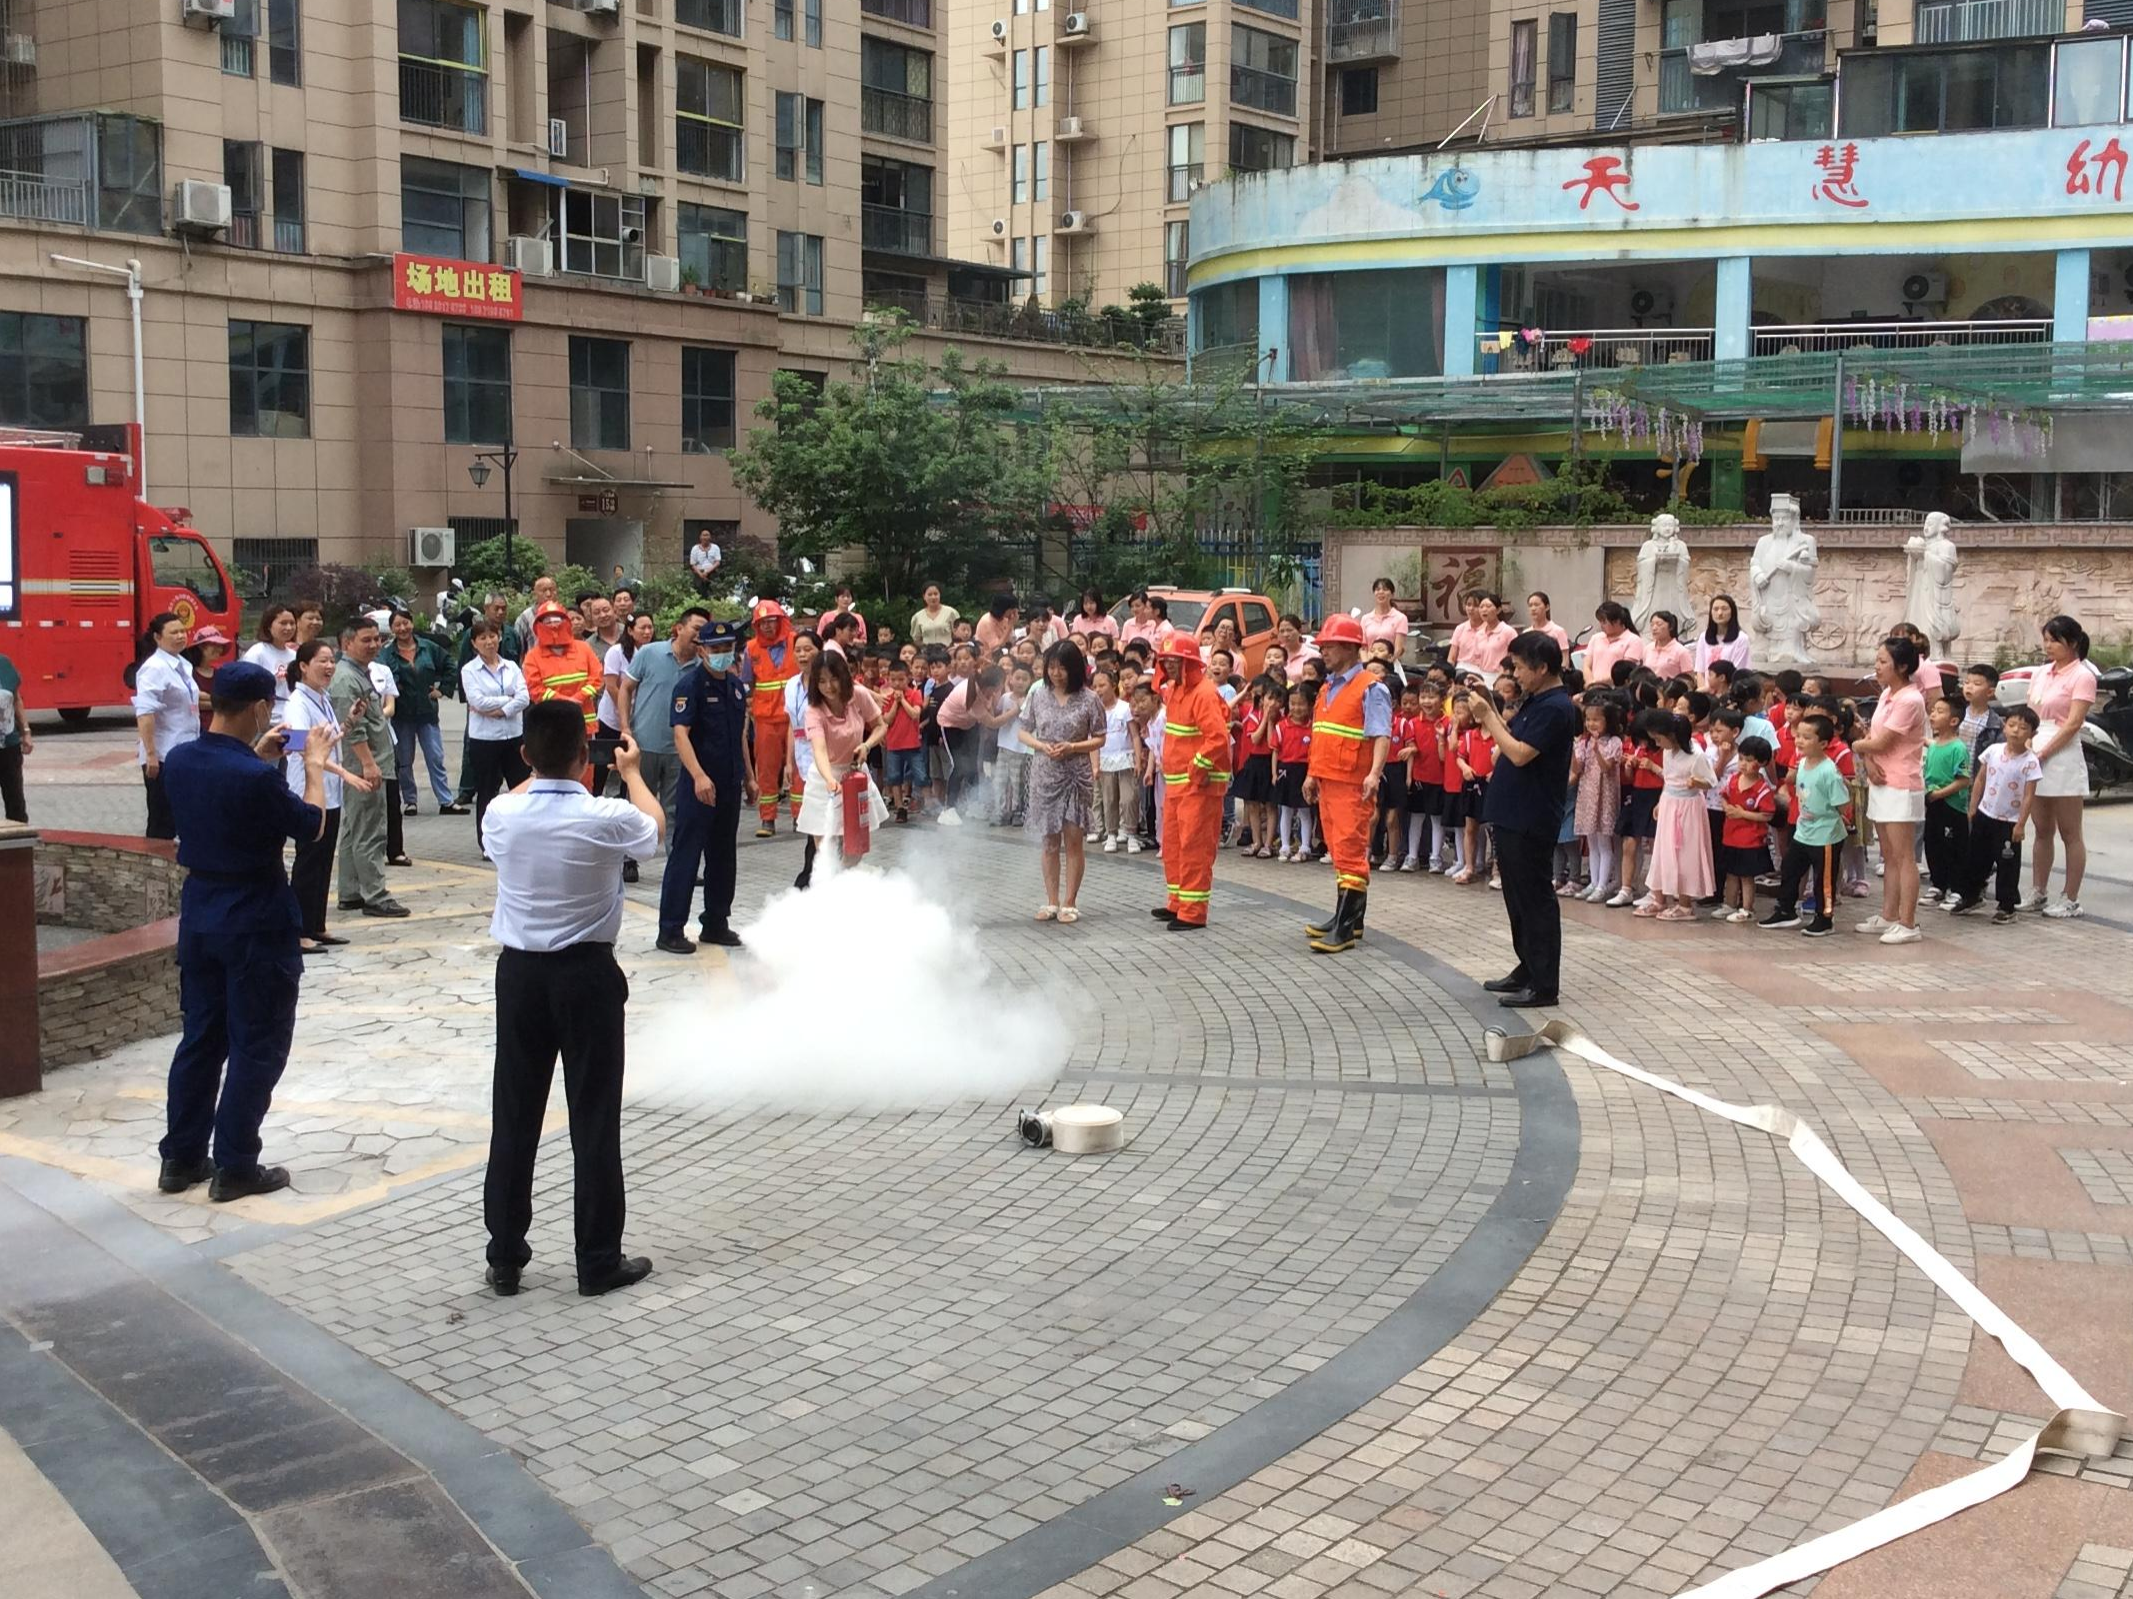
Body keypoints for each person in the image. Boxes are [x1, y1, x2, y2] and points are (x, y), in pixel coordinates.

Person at [481, 701, 662, 1299]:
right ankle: (597, 1259)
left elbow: (536, 776)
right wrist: (632, 773)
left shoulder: (500, 814)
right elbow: (655, 832)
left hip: (521, 976)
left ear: (525, 755)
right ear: (588, 758)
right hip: (586, 975)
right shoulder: (607, 815)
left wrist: (542, 760)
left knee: (514, 1115)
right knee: (593, 1118)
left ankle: (505, 1256)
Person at [156, 661, 330, 1202]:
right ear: (259, 709)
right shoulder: (254, 776)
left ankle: (181, 1159)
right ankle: (236, 1164)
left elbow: (222, 797)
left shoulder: (181, 760)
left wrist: (261, 760)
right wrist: (317, 765)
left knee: (201, 1040)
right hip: (255, 918)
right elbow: (311, 826)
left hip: (202, 912)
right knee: (257, 1044)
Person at [1470, 631, 1577, 1007]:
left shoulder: (1557, 708)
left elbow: (1518, 753)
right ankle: (1527, 966)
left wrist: (1487, 718)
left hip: (1532, 815)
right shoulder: (1537, 701)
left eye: (1519, 667)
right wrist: (1492, 709)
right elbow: (1512, 736)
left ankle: (1544, 983)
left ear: (1543, 667)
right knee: (1516, 898)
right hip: (1513, 811)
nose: (1515, 674)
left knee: (1534, 899)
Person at [658, 621, 752, 950]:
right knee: (687, 855)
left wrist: (750, 778)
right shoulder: (690, 686)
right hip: (699, 786)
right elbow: (680, 734)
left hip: (728, 784)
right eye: (716, 649)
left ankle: (716, 922)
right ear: (702, 650)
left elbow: (741, 735)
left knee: (723, 856)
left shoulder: (737, 687)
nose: (723, 654)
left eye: (728, 648)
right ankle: (670, 929)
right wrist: (698, 775)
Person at [1300, 614, 1391, 954]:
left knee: (1351, 853)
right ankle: (1348, 920)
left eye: (1331, 645)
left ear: (1352, 648)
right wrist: (1312, 774)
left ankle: (1345, 928)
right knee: (1339, 851)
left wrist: (1374, 774)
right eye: (1323, 645)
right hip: (1329, 780)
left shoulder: (1371, 688)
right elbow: (1321, 735)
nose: (1324, 651)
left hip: (1353, 783)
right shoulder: (1328, 687)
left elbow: (1381, 734)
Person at [283, 641, 367, 952]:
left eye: (332, 660)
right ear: (303, 666)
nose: (329, 666)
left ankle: (317, 925)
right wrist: (345, 773)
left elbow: (328, 739)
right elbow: (300, 744)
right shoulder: (297, 702)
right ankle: (299, 930)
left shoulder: (321, 698)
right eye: (322, 661)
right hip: (308, 789)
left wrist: (350, 722)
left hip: (328, 792)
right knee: (308, 862)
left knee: (322, 861)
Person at [319, 620, 403, 918]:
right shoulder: (346, 680)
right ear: (347, 643)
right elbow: (353, 729)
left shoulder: (358, 673)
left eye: (377, 640)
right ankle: (375, 895)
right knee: (370, 830)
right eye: (366, 640)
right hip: (364, 764)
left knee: (354, 828)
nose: (374, 645)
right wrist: (368, 763)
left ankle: (352, 891)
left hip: (367, 761)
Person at [1019, 640, 1107, 923]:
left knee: (1073, 841)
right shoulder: (1038, 695)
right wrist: (1041, 746)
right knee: (1049, 841)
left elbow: (1100, 737)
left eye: (1062, 668)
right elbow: (1023, 731)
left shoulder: (1090, 699)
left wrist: (1073, 746)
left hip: (1075, 773)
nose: (1056, 673)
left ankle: (1070, 901)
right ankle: (1051, 901)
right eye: (1052, 667)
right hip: (1045, 772)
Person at [1148, 636, 1231, 932]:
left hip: (1199, 787)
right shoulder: (1178, 691)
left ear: (1189, 663)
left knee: (1195, 847)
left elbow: (1218, 738)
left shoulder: (1203, 693)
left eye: (1174, 660)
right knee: (1173, 845)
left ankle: (1193, 912)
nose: (1168, 665)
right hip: (1177, 784)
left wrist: (1198, 766)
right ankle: (1178, 902)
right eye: (1165, 660)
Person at [1852, 636, 1929, 945]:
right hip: (1880, 779)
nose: (1878, 666)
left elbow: (1882, 741)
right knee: (1888, 855)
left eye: (1884, 662)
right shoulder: (1887, 694)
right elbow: (1874, 735)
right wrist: (1868, 758)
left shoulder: (1911, 699)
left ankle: (1908, 922)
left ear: (1903, 666)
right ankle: (1888, 915)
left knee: (1903, 855)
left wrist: (1858, 746)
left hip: (1901, 783)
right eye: (1878, 660)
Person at [794, 647, 888, 888]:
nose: (829, 687)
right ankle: (828, 892)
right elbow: (820, 749)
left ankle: (844, 887)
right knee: (826, 846)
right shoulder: (813, 710)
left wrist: (866, 745)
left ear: (844, 676)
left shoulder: (858, 695)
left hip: (855, 775)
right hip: (825, 779)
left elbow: (880, 726)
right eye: (822, 681)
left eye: (833, 679)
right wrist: (828, 779)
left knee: (855, 848)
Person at [2024, 615, 2095, 919]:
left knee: (2070, 832)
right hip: (2036, 745)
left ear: (2073, 643)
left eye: (2055, 640)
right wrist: (2027, 745)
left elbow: (2074, 723)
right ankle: (2038, 890)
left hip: (2062, 753)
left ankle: (2070, 897)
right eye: (2047, 639)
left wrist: (2044, 752)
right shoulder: (2041, 673)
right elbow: (2030, 713)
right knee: (2042, 829)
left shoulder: (2083, 675)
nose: (2048, 646)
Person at [618, 607, 708, 844]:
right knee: (637, 805)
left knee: (676, 810)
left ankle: (675, 863)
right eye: (696, 629)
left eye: (704, 631)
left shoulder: (703, 667)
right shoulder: (650, 652)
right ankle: (629, 858)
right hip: (644, 744)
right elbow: (626, 688)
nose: (700, 635)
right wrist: (625, 727)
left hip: (680, 751)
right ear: (679, 628)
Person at [1949, 705, 2043, 923]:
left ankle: (2007, 906)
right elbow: (1980, 779)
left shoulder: (2030, 761)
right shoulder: (1993, 751)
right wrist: (1972, 807)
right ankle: (1971, 895)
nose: (2016, 731)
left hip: (2009, 821)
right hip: (1985, 814)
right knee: (1976, 858)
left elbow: (2029, 795)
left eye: (2023, 728)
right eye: (2011, 725)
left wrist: (2020, 824)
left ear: (2032, 734)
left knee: (2007, 863)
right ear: (2004, 726)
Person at [1760, 711, 1849, 936]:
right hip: (1803, 831)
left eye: (1807, 737)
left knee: (1823, 880)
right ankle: (1786, 910)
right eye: (1799, 736)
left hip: (1826, 835)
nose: (1799, 741)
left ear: (1824, 743)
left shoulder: (1829, 771)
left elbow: (1841, 803)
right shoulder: (1802, 763)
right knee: (1790, 870)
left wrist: (1844, 820)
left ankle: (1824, 918)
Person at [460, 620, 530, 858]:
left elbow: (524, 698)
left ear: (499, 637)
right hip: (484, 740)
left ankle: (521, 839)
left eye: (493, 636)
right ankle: (487, 843)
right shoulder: (469, 670)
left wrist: (500, 709)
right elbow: (477, 701)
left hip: (513, 736)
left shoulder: (511, 666)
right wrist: (508, 700)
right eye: (483, 638)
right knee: (487, 792)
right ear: (474, 643)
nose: (489, 641)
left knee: (520, 791)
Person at [1638, 711, 1715, 921]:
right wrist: (1661, 801)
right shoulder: (1668, 752)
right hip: (1670, 802)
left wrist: (1696, 783)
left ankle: (1684, 904)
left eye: (1658, 738)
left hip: (1688, 807)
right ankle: (1659, 898)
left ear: (1672, 735)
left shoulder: (1696, 755)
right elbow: (1669, 778)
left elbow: (1711, 781)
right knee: (1664, 850)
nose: (1657, 743)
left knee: (1685, 852)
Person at [522, 600, 604, 793]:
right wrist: (567, 702)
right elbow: (536, 689)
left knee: (585, 775)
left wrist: (579, 698)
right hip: (552, 728)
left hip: (584, 725)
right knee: (553, 775)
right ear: (538, 625)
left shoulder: (583, 649)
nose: (553, 625)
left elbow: (597, 677)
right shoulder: (533, 656)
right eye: (547, 621)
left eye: (557, 619)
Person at [386, 610, 461, 817]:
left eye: (406, 623)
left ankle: (446, 800)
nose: (402, 628)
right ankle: (410, 801)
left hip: (427, 713)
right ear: (392, 628)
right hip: (401, 715)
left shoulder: (428, 647)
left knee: (435, 757)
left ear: (412, 623)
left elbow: (450, 666)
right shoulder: (386, 654)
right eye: (397, 625)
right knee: (404, 760)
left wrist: (443, 690)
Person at [133, 611, 198, 839]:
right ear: (158, 638)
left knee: (185, 814)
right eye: (174, 633)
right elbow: (145, 713)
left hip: (186, 750)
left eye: (183, 631)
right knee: (162, 820)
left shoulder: (182, 664)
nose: (181, 636)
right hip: (163, 755)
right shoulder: (154, 668)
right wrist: (151, 754)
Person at [741, 599, 801, 836]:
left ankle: (799, 816)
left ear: (780, 621)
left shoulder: (796, 642)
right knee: (766, 769)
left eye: (771, 621)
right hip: (765, 718)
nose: (767, 626)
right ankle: (768, 819)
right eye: (762, 622)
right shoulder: (751, 649)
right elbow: (749, 683)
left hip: (794, 716)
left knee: (799, 767)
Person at [1717, 735, 1776, 923]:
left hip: (1750, 840)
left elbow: (1767, 815)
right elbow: (1724, 796)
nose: (1743, 764)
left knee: (1746, 876)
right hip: (1730, 836)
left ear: (1762, 763)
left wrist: (1742, 814)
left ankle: (1748, 908)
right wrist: (1727, 807)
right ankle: (1729, 903)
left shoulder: (1761, 789)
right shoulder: (1734, 779)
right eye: (1741, 759)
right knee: (1731, 873)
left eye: (1749, 761)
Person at [1921, 696, 1974, 908]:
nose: (1933, 715)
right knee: (1932, 843)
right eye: (1933, 710)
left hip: (1951, 806)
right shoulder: (1934, 745)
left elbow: (1963, 780)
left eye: (1940, 711)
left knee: (1954, 847)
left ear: (1954, 721)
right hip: (1932, 803)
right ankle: (1938, 884)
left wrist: (1940, 793)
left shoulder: (1958, 748)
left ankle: (1958, 888)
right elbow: (1925, 742)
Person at [1572, 697, 1624, 903]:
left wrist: (1596, 749)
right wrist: (1575, 750)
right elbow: (1577, 769)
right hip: (1587, 793)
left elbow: (1607, 767)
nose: (1591, 724)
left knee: (1604, 842)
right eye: (1588, 719)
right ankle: (1593, 882)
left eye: (1596, 719)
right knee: (1591, 841)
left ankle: (1603, 884)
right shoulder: (1584, 741)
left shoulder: (1614, 742)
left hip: (1605, 795)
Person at [1091, 665, 1142, 853]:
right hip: (1105, 760)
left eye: (1102, 685)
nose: (1098, 690)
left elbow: (1135, 735)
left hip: (1125, 758)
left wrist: (1137, 760)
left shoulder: (1125, 708)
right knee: (1109, 799)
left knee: (1129, 798)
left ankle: (1131, 834)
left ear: (1113, 685)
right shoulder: (1095, 711)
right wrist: (1095, 765)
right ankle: (1111, 833)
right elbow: (1094, 740)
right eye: (1095, 686)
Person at [1273, 683, 1315, 860]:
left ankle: (1305, 846)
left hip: (1304, 771)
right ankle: (1284, 845)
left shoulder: (1312, 728)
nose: (1297, 708)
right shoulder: (1281, 727)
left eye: (1301, 704)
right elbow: (1275, 751)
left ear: (1309, 706)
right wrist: (1274, 773)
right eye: (1293, 703)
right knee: (1286, 810)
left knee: (1304, 810)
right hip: (1286, 770)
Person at [881, 658, 926, 822]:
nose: (897, 683)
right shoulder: (887, 698)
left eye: (901, 679)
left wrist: (903, 701)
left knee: (921, 776)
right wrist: (895, 703)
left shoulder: (915, 694)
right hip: (894, 745)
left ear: (908, 678)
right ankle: (900, 808)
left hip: (912, 744)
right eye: (893, 679)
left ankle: (927, 803)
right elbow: (887, 720)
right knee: (894, 777)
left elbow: (915, 714)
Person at [1447, 593, 1518, 680]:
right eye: (1481, 607)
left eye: (1488, 606)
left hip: (1501, 676)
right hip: (1481, 674)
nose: (1484, 610)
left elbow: (1516, 655)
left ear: (1498, 610)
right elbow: (1477, 659)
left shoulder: (1508, 631)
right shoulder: (1479, 634)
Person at [244, 605, 299, 716]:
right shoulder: (257, 653)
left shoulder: (295, 656)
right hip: (267, 720)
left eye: (292, 623)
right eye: (283, 623)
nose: (289, 628)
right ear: (269, 626)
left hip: (291, 716)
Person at [1583, 602, 1644, 687]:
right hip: (1593, 688)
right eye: (1600, 622)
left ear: (1617, 621)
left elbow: (1624, 671)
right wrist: (1590, 682)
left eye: (1604, 622)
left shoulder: (1633, 640)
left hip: (1617, 689)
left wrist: (1596, 682)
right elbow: (1586, 665)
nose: (1601, 625)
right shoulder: (1596, 638)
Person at [0, 647, 29, 824]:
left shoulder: (5, 664)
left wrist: (26, 732)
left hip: (9, 746)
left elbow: (17, 699)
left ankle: (18, 848)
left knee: (16, 802)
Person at [1695, 594, 1753, 681]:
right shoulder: (1703, 637)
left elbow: (1737, 673)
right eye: (1715, 609)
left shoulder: (1741, 639)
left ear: (1732, 612)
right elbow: (1700, 671)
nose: (1720, 613)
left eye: (1724, 609)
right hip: (1706, 691)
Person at [1361, 578, 1411, 657]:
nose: (1381, 592)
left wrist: (1388, 663)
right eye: (1377, 589)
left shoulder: (1400, 618)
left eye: (1385, 589)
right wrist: (1366, 663)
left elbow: (1398, 649)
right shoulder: (1365, 619)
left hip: (1391, 664)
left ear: (1392, 594)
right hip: (1369, 665)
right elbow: (1363, 648)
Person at [513, 574, 561, 653]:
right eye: (544, 590)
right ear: (535, 594)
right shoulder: (525, 618)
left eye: (551, 590)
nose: (548, 594)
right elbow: (518, 649)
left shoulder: (562, 614)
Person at [1643, 611, 1693, 681]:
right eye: (1652, 625)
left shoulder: (1681, 651)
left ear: (1671, 627)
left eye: (1659, 624)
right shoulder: (1647, 649)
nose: (1654, 628)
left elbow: (1688, 679)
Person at [910, 582, 960, 648]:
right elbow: (916, 639)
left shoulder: (951, 612)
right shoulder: (917, 617)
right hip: (927, 654)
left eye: (936, 594)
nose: (933, 597)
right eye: (929, 595)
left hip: (947, 652)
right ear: (924, 597)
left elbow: (958, 634)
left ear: (940, 595)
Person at [688, 527, 723, 595]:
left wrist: (707, 572)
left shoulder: (715, 548)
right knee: (699, 593)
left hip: (712, 573)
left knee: (713, 592)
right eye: (703, 535)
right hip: (699, 573)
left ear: (710, 537)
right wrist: (701, 574)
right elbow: (693, 564)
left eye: (707, 535)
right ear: (700, 537)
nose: (705, 537)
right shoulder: (695, 548)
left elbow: (717, 562)